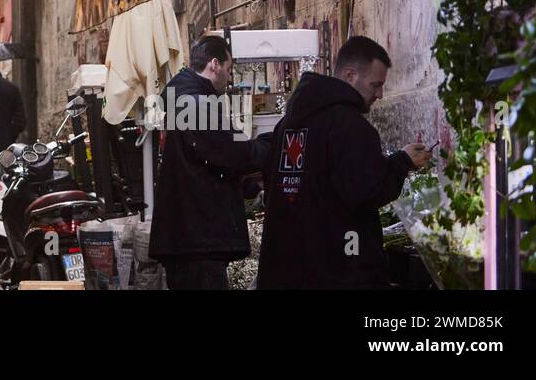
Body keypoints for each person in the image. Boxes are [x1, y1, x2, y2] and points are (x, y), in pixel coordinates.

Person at [257, 36, 431, 289]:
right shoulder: (350, 126)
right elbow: (366, 191)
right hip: (337, 271)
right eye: (376, 85)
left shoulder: (287, 126)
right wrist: (402, 162)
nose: (380, 95)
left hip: (286, 269)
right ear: (350, 75)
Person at [150, 35, 271, 290]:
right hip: (197, 241)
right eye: (228, 70)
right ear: (214, 64)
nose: (229, 78)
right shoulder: (195, 104)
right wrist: (273, 141)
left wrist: (245, 186)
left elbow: (206, 165)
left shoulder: (186, 99)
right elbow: (233, 153)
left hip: (191, 239)